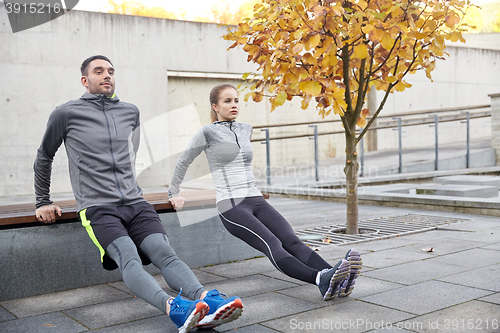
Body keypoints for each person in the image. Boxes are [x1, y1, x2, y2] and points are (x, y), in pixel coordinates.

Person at [34, 56, 243, 332]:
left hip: (135, 202)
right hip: (98, 207)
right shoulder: (66, 114)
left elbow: (129, 156)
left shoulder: (130, 111)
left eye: (110, 71)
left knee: (165, 253)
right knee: (129, 257)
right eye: (99, 71)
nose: (106, 75)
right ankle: (175, 308)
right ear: (85, 80)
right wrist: (42, 200)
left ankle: (206, 300)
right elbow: (44, 156)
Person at [168, 83, 362, 301]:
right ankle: (320, 279)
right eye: (227, 101)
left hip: (255, 199)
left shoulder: (245, 129)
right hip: (231, 205)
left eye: (236, 100)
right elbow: (183, 161)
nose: (234, 105)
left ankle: (337, 277)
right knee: (273, 244)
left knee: (291, 240)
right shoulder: (207, 132)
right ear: (215, 106)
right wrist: (172, 193)